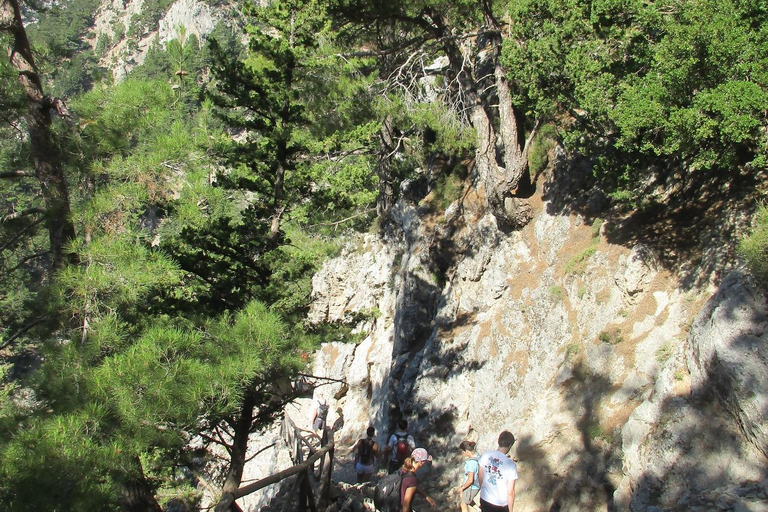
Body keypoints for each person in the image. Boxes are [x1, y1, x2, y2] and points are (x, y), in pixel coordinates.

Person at [478, 431, 518, 512]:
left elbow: (480, 477)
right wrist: (510, 510)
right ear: (510, 445)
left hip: (485, 499)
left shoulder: (486, 455)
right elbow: (510, 492)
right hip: (500, 505)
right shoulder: (511, 465)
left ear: (498, 441)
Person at [457, 440, 480, 512]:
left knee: (463, 504)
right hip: (476, 485)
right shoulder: (478, 456)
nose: (463, 453)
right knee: (462, 496)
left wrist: (462, 487)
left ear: (467, 451)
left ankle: (478, 510)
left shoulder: (471, 463)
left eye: (463, 452)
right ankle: (478, 509)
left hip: (471, 487)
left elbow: (470, 480)